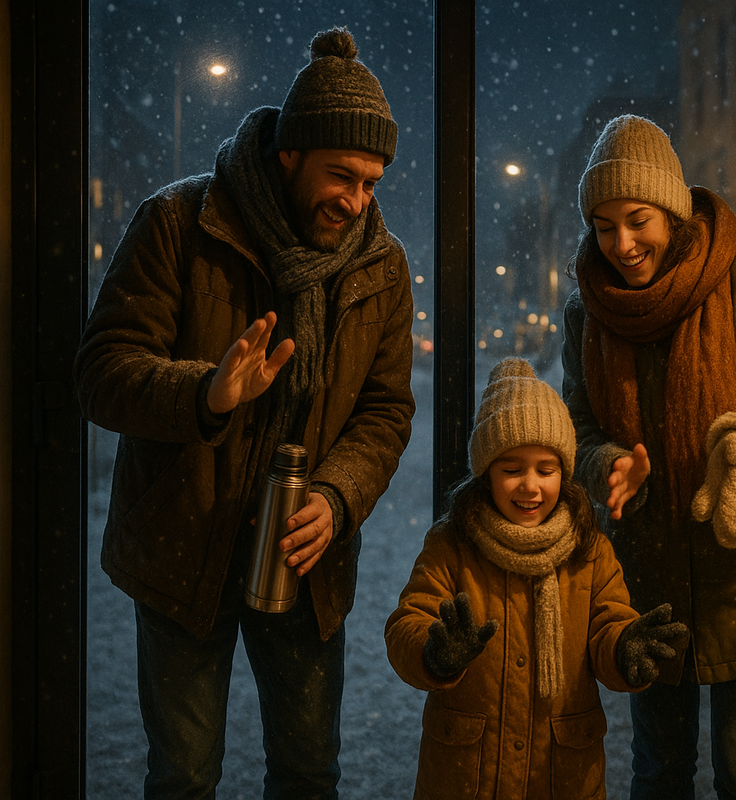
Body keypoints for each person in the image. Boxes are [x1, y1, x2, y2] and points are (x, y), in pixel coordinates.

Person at [73, 27, 415, 799]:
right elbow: (99, 373)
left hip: (303, 552)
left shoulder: (380, 265)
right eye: (341, 175)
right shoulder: (177, 223)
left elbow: (387, 410)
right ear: (289, 152)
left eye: (372, 182)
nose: (356, 201)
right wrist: (206, 393)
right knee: (185, 775)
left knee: (307, 772)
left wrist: (336, 496)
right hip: (181, 541)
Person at [561, 114, 736, 799]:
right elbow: (580, 428)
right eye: (603, 225)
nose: (620, 244)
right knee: (658, 773)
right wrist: (604, 466)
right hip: (648, 577)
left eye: (638, 219)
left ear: (674, 212)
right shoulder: (587, 312)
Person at [384, 357, 688, 800]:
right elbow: (406, 623)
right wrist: (435, 652)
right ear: (487, 473)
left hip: (562, 769)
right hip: (468, 774)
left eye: (545, 470)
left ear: (564, 474)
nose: (530, 485)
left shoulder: (588, 548)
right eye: (512, 470)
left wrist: (624, 647)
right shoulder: (453, 544)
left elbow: (608, 623)